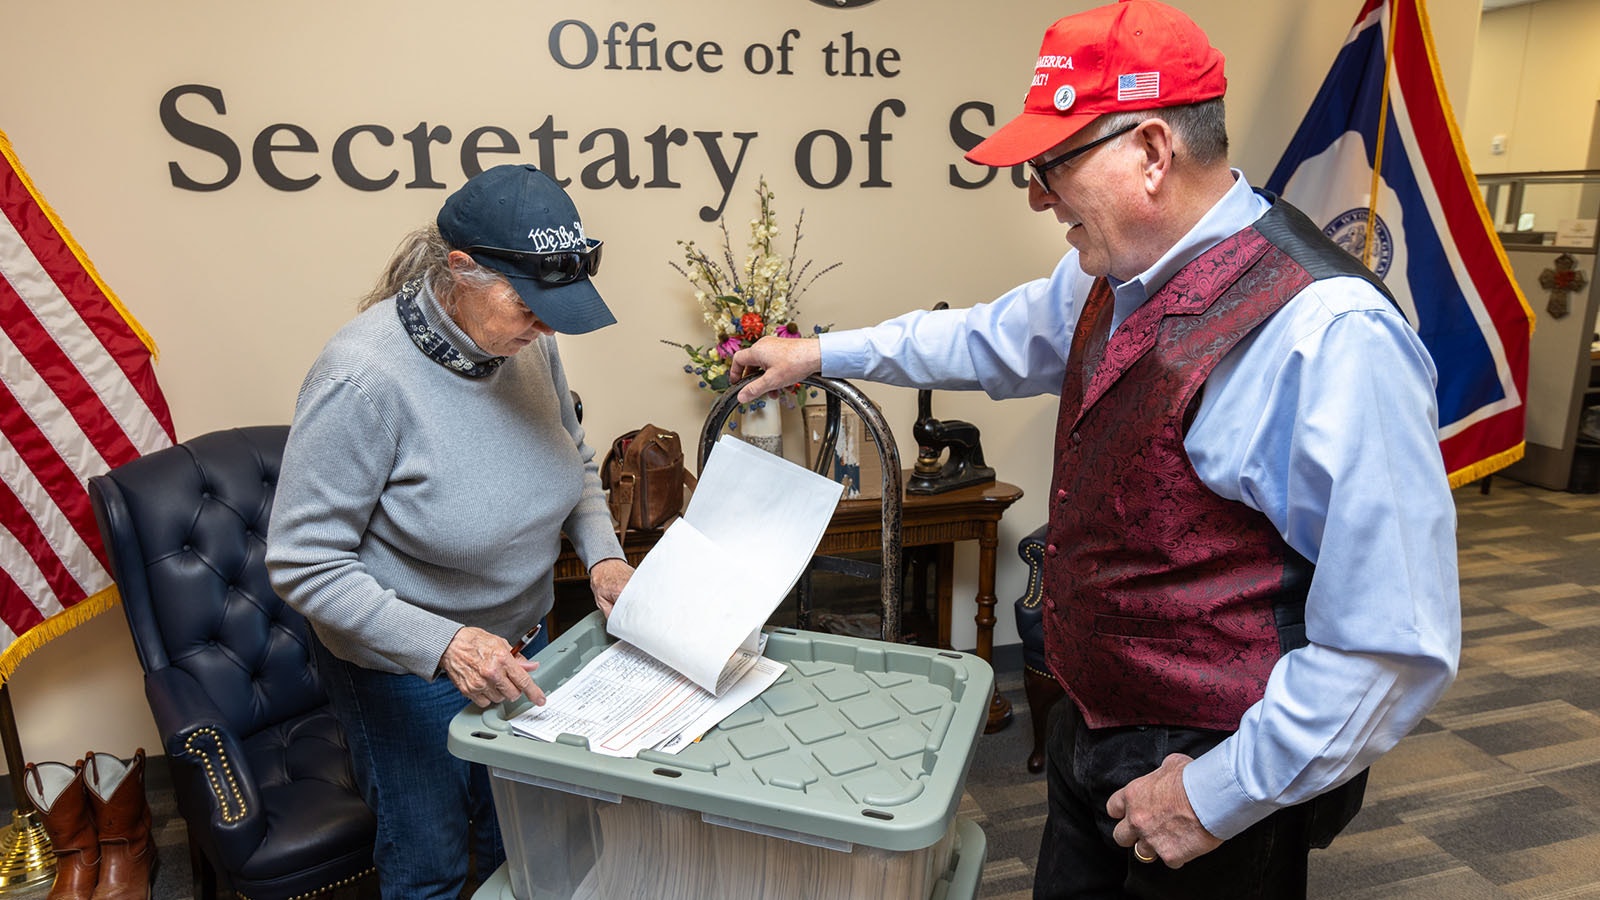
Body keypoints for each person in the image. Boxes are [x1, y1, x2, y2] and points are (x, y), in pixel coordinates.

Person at [730, 2, 1461, 897]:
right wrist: (820, 353)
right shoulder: (1107, 277)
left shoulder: (1329, 336)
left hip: (1213, 767)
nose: (1037, 195)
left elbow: (1394, 643)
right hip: (1092, 727)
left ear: (1152, 152)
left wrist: (1217, 794)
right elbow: (981, 340)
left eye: (1052, 164)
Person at [266, 163, 631, 898]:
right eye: (529, 307)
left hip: (525, 641)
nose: (546, 326)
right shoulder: (361, 379)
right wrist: (447, 643)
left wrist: (605, 561)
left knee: (522, 841)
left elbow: (576, 461)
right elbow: (304, 565)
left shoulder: (527, 342)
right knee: (430, 865)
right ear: (460, 271)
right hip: (406, 670)